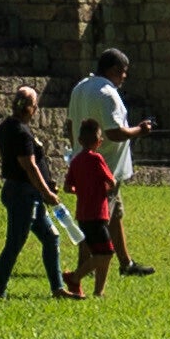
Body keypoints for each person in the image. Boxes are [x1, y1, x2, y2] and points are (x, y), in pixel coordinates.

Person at [63, 46, 161, 278]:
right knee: (94, 221)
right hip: (103, 169)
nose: (125, 77)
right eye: (124, 72)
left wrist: (78, 152)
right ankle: (82, 268)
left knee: (114, 216)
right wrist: (141, 130)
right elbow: (114, 132)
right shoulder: (107, 93)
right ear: (115, 69)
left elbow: (69, 125)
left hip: (85, 164)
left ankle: (126, 263)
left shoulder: (80, 87)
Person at [0, 89, 72, 299]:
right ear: (31, 109)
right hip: (22, 195)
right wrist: (47, 193)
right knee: (15, 242)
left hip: (28, 193)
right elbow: (29, 166)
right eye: (35, 106)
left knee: (51, 237)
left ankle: (58, 288)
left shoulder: (9, 126)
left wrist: (45, 182)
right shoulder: (20, 132)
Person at [63, 106, 126, 299]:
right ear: (99, 142)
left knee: (101, 252)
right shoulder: (97, 159)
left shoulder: (76, 161)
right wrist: (106, 189)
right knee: (106, 253)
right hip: (98, 214)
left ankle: (99, 291)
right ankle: (74, 277)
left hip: (82, 214)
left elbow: (68, 187)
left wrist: (81, 190)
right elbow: (112, 181)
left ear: (80, 140)